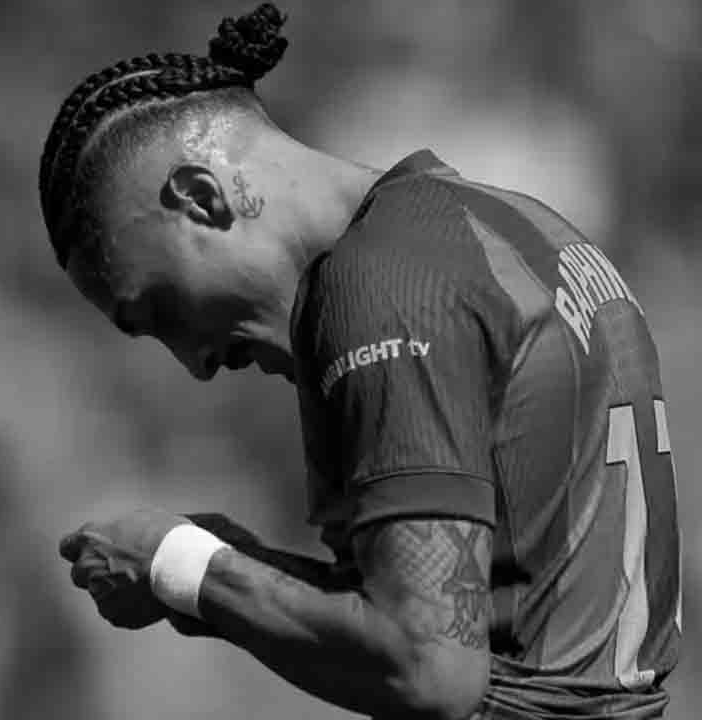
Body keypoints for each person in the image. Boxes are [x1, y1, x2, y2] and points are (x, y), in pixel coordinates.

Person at [45, 5, 682, 718]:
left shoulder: (381, 291)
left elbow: (429, 672)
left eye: (160, 311)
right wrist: (231, 563)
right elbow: (470, 614)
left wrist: (181, 567)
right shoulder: (509, 224)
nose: (194, 362)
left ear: (202, 198)